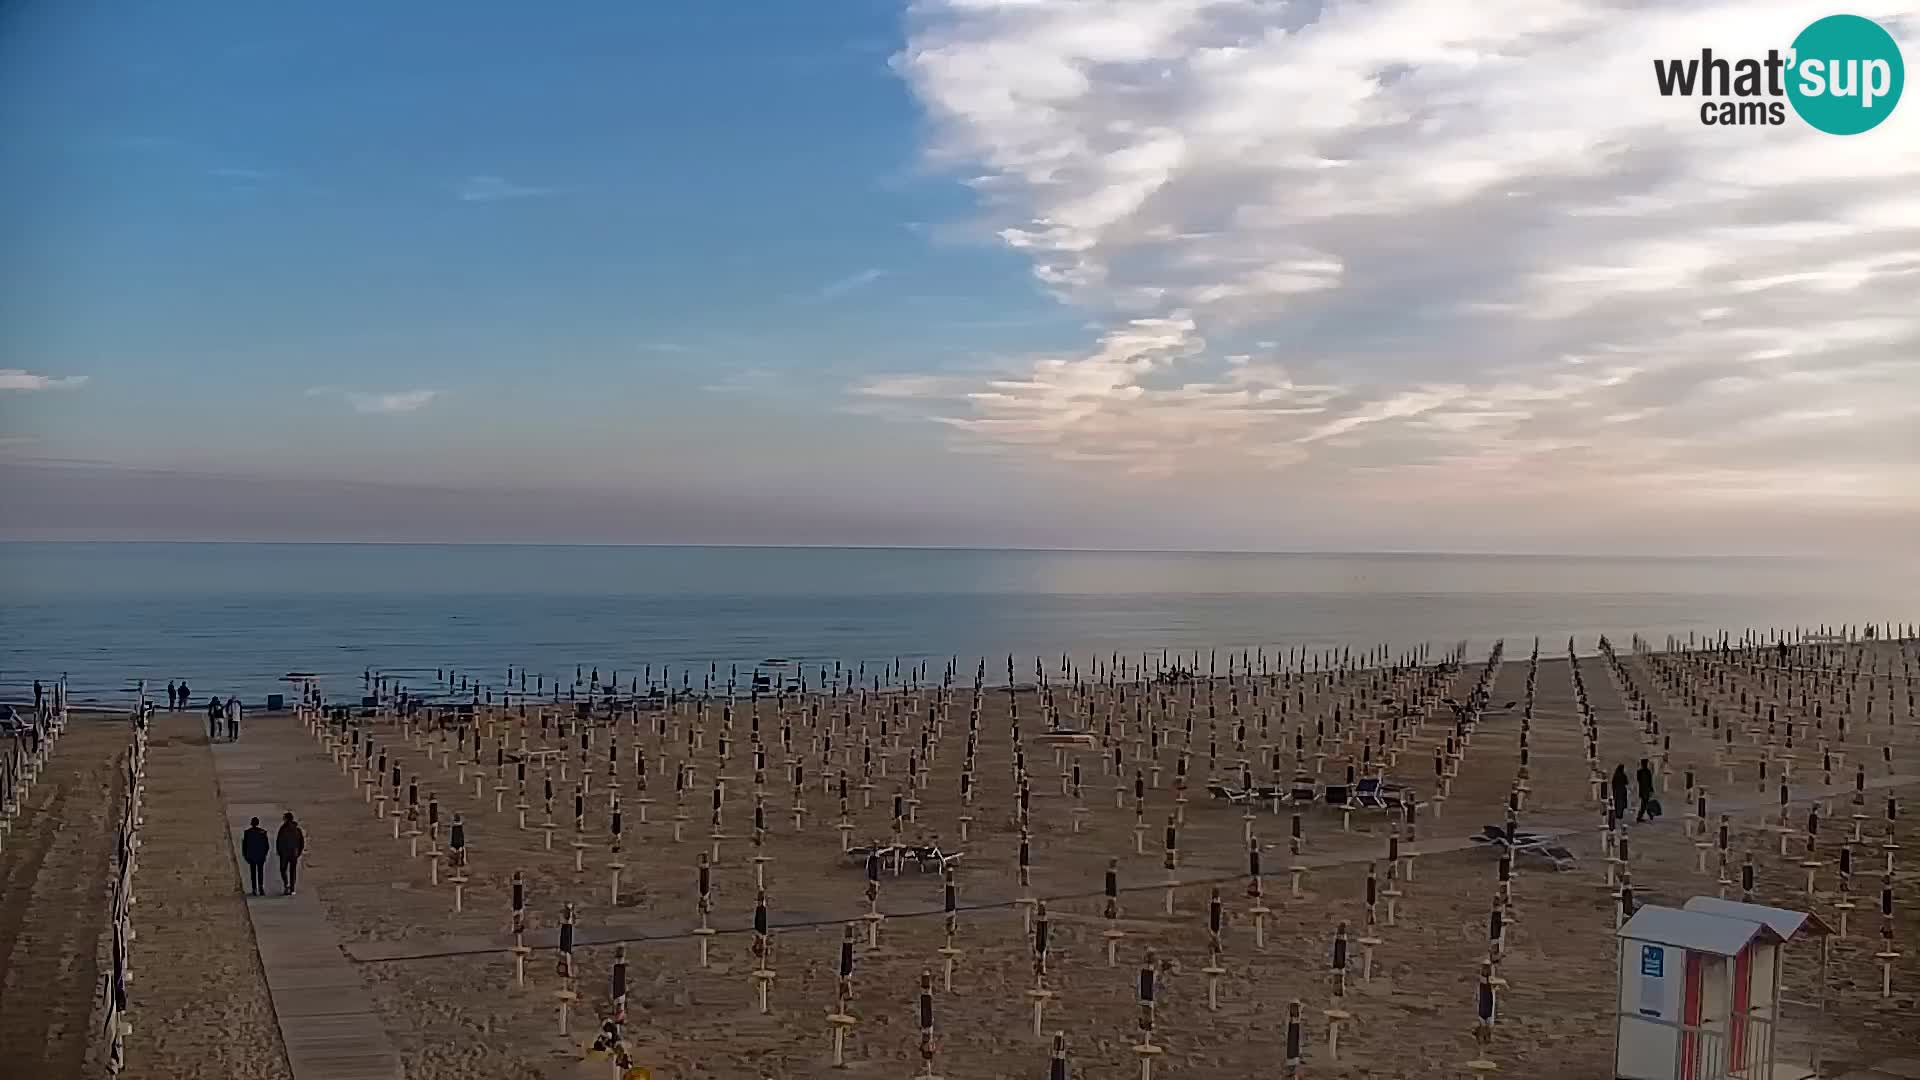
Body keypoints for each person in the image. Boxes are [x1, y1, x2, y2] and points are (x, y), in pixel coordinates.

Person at [275, 811, 305, 895]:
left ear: (287, 819)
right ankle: (292, 888)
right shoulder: (297, 829)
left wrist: (279, 851)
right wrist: (298, 852)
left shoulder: (282, 829)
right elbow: (301, 843)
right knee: (293, 871)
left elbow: (279, 841)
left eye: (284, 818)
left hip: (284, 854)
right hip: (294, 853)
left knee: (283, 869)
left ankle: (286, 884)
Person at [241, 817, 271, 896]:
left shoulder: (247, 833)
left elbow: (244, 846)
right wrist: (264, 854)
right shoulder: (263, 832)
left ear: (251, 823)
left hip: (251, 856)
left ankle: (254, 889)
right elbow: (267, 846)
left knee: (253, 873)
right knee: (260, 872)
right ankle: (261, 888)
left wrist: (245, 855)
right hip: (260, 856)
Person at [1636, 758, 1658, 822]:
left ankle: (1644, 815)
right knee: (1644, 803)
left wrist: (1651, 788)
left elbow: (1640, 780)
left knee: (1645, 803)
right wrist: (1651, 788)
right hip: (1645, 790)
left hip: (1644, 790)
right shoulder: (1646, 772)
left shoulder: (1641, 772)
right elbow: (1649, 781)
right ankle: (1643, 815)